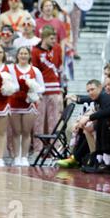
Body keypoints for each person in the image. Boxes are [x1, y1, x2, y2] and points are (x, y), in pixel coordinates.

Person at [9, 47, 45, 166]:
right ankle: (16, 157)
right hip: (15, 103)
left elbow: (42, 87)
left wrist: (32, 88)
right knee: (16, 132)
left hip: (29, 104)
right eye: (21, 53)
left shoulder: (35, 70)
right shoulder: (11, 69)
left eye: (25, 54)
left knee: (26, 131)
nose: (23, 56)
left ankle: (24, 157)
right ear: (17, 56)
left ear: (29, 56)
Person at [31, 25, 64, 155]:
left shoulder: (57, 48)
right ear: (44, 37)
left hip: (55, 88)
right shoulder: (35, 51)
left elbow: (59, 66)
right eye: (51, 38)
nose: (54, 41)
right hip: (41, 89)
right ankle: (38, 149)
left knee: (54, 120)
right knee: (39, 121)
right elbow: (34, 70)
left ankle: (54, 149)